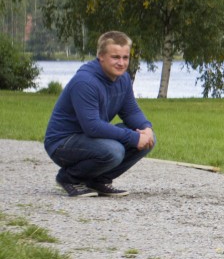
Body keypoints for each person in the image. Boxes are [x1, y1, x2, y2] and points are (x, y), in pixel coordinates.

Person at [44, 31, 156, 197]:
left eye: (125, 57)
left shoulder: (123, 79)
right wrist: (133, 137)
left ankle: (98, 180)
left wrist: (146, 128)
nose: (121, 63)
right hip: (62, 143)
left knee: (148, 140)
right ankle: (68, 178)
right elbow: (92, 127)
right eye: (115, 57)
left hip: (89, 139)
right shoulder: (85, 82)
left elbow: (131, 111)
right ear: (101, 56)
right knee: (114, 150)